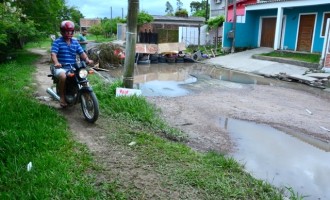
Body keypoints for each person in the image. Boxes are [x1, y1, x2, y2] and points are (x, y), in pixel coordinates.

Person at [51, 20, 93, 107]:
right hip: (61, 67)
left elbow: (82, 53)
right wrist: (56, 63)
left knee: (83, 76)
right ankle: (62, 97)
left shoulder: (75, 42)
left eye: (70, 31)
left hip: (72, 66)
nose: (69, 33)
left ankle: (85, 95)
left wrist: (87, 60)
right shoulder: (57, 42)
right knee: (63, 76)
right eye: (66, 31)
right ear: (62, 32)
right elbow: (53, 54)